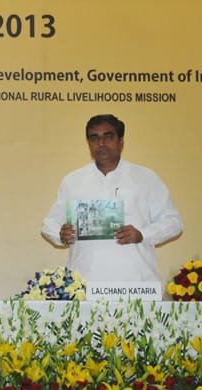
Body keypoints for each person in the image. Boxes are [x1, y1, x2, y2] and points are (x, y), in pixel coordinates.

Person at [41, 114, 183, 282]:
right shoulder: (72, 181)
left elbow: (173, 222)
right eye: (94, 138)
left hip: (136, 280)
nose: (101, 144)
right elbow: (48, 224)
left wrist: (142, 234)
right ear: (88, 143)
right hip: (85, 281)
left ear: (121, 141)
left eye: (108, 136)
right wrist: (61, 234)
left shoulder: (145, 178)